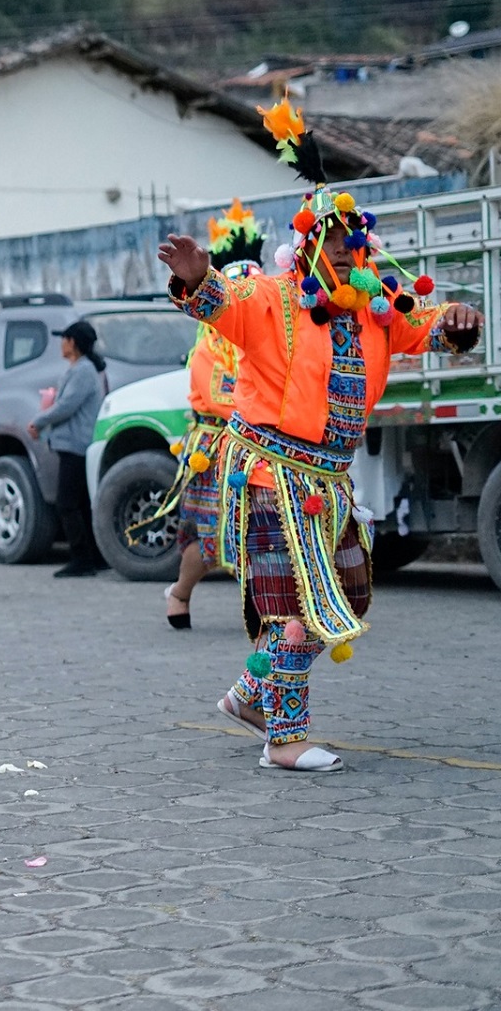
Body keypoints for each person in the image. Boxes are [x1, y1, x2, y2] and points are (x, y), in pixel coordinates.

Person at [159, 102, 481, 772]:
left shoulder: (376, 310)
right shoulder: (272, 298)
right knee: (294, 608)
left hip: (330, 481)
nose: (342, 247)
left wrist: (457, 320)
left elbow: (427, 325)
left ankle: (251, 695)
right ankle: (284, 739)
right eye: (330, 237)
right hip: (269, 473)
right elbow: (223, 304)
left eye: (351, 239)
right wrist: (197, 280)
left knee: (350, 591)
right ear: (306, 245)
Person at [145, 201, 267, 628]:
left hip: (262, 444)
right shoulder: (209, 343)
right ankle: (180, 592)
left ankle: (264, 605)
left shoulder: (269, 335)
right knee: (210, 533)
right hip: (216, 445)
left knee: (263, 529)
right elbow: (219, 395)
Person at [29, 320, 108, 578]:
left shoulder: (82, 370)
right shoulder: (81, 369)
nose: (61, 344)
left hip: (76, 445)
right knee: (81, 503)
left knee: (67, 503)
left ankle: (82, 558)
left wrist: (39, 421)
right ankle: (95, 557)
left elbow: (67, 405)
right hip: (75, 443)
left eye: (64, 339)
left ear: (72, 342)